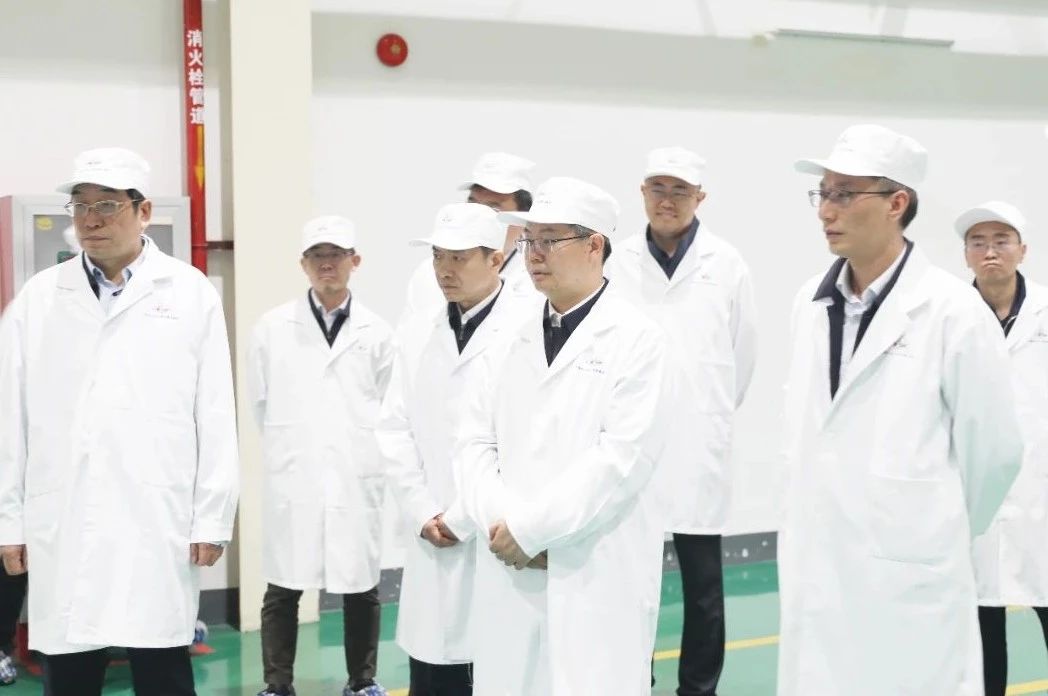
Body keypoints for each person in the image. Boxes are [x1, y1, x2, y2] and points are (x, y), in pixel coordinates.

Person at [778, 125, 1023, 695]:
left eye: (845, 194)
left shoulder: (953, 312)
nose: (826, 211)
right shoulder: (808, 303)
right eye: (823, 193)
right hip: (819, 564)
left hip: (911, 573)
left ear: (896, 203)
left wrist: (926, 525)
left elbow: (994, 455)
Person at [0, 147, 239, 696]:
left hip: (155, 516)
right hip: (66, 517)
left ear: (144, 211)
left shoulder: (189, 293)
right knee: (71, 669)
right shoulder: (40, 298)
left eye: (107, 205)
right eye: (80, 205)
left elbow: (215, 413)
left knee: (162, 668)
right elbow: (11, 418)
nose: (91, 219)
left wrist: (213, 516)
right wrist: (9, 522)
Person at [455, 176, 670, 695]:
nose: (533, 254)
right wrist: (505, 526)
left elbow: (620, 461)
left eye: (550, 240)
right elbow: (473, 443)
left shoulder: (638, 340)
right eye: (529, 240)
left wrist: (531, 531)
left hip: (592, 570)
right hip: (508, 563)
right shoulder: (505, 336)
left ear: (595, 245)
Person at [605, 146, 757, 696]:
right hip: (632, 442)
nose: (667, 201)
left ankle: (698, 689)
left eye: (680, 191)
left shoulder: (727, 264)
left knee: (703, 588)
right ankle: (633, 680)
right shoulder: (617, 262)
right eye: (658, 189)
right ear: (642, 193)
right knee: (632, 582)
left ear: (700, 197)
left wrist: (707, 410)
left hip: (697, 443)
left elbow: (743, 357)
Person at [377, 202, 535, 696]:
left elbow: (524, 440)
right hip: (431, 532)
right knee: (433, 670)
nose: (444, 270)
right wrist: (422, 510)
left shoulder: (527, 330)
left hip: (494, 530)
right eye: (438, 257)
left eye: (459, 258)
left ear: (495, 259)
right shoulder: (416, 331)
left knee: (498, 669)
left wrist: (464, 517)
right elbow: (393, 428)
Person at [247, 216, 393, 696]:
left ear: (355, 261)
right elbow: (260, 404)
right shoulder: (272, 328)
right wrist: (294, 449)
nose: (326, 264)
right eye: (317, 256)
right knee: (283, 585)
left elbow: (389, 406)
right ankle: (277, 685)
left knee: (360, 584)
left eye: (336, 255)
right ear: (303, 264)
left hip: (355, 473)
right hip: (295, 474)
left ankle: (362, 681)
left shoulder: (378, 332)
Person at [958, 201, 1048, 696]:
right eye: (978, 242)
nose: (990, 251)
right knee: (981, 629)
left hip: (1042, 491)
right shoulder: (950, 316)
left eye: (1001, 241)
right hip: (976, 497)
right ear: (966, 254)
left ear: (1022, 250)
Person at [403, 152, 536, 317]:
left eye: (493, 208)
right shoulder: (426, 276)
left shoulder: (540, 277)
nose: (477, 215)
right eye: (472, 204)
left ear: (523, 217)